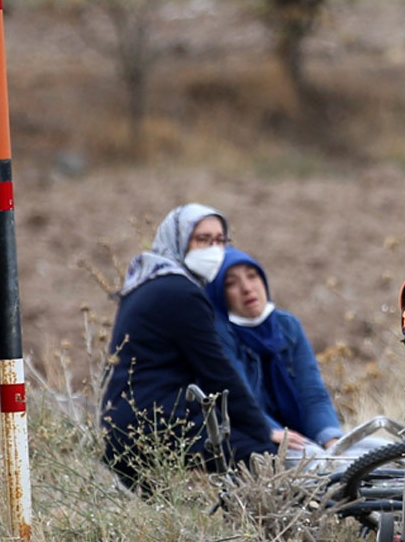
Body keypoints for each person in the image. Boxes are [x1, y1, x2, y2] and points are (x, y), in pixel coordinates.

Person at [100, 203, 279, 490]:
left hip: (121, 426)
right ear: (180, 240)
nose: (213, 249)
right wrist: (263, 433)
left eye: (220, 240)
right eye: (203, 240)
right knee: (258, 455)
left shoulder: (146, 284)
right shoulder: (180, 292)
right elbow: (217, 373)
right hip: (152, 426)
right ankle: (268, 532)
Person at [206, 247, 345, 465]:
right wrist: (270, 430)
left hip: (303, 437)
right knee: (319, 465)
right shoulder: (219, 336)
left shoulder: (287, 325)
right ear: (218, 295)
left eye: (252, 276)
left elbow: (313, 394)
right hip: (260, 440)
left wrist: (332, 441)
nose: (247, 288)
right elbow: (240, 401)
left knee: (379, 452)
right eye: (231, 283)